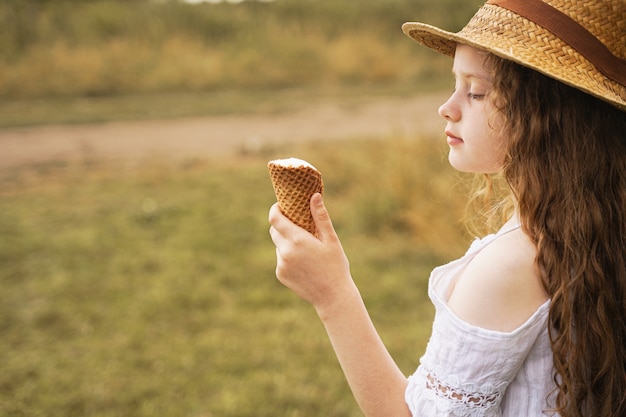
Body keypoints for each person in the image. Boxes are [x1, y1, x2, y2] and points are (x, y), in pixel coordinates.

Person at [268, 0, 626, 416]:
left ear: (547, 115)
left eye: (475, 92)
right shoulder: (600, 225)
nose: (448, 107)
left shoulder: (510, 268)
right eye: (455, 84)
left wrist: (332, 294)